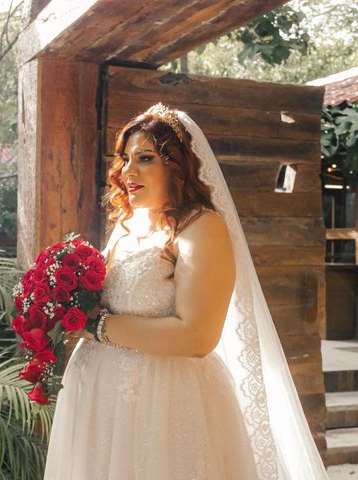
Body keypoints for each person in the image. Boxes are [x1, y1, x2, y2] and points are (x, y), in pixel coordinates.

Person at [41, 103, 330, 479]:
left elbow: (197, 335)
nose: (128, 172)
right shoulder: (128, 225)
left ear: (178, 166)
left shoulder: (202, 229)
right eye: (125, 159)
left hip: (163, 403)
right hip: (99, 397)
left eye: (145, 158)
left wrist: (95, 327)